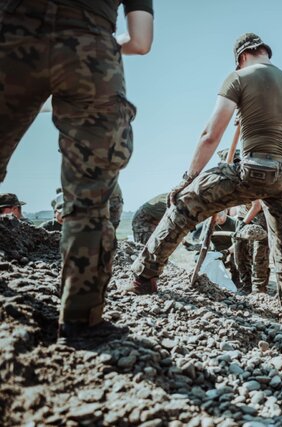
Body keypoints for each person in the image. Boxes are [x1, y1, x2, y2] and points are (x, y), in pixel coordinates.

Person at [128, 33, 282, 335]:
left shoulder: (238, 77)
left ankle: (143, 277)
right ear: (264, 52)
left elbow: (211, 135)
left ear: (241, 57)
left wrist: (188, 179)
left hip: (254, 169)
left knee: (183, 205)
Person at [0, 0, 153, 342]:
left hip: (12, 37)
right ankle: (80, 323)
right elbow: (140, 41)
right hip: (90, 49)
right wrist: (95, 37)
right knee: (90, 193)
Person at [234, 202, 270, 294]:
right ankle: (247, 285)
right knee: (239, 253)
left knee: (259, 255)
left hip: (260, 216)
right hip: (242, 216)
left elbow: (257, 205)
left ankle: (259, 288)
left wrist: (243, 223)